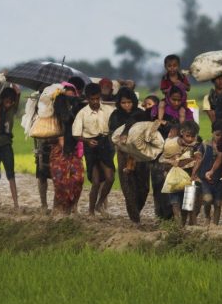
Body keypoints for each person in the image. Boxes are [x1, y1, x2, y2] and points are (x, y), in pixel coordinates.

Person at [150, 84, 194, 220]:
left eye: (178, 100)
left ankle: (185, 218)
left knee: (185, 183)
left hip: (182, 152)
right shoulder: (159, 109)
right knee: (161, 184)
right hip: (161, 151)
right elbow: (153, 128)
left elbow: (192, 132)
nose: (175, 103)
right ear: (168, 98)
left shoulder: (186, 113)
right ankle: (163, 216)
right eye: (173, 100)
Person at [109, 87, 151, 223]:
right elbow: (113, 135)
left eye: (129, 102)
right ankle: (135, 219)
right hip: (124, 154)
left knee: (144, 187)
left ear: (134, 101)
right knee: (128, 187)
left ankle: (136, 212)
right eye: (123, 103)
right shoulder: (115, 116)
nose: (127, 105)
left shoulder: (141, 114)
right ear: (119, 103)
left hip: (141, 154)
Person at [73, 83, 115, 214]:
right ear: (87, 98)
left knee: (110, 178)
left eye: (97, 99)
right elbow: (76, 135)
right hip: (90, 146)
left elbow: (115, 126)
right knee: (96, 182)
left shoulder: (109, 110)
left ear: (100, 97)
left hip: (105, 144)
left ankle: (100, 203)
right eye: (92, 99)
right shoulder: (82, 113)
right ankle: (91, 210)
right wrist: (87, 141)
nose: (95, 102)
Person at [49, 84, 86, 214]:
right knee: (60, 182)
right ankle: (59, 209)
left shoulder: (77, 113)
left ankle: (72, 206)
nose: (70, 99)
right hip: (58, 152)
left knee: (78, 178)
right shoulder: (53, 115)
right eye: (67, 96)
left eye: (72, 96)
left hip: (74, 149)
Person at [159, 120, 203, 226]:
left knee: (189, 203)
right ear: (182, 132)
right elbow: (163, 161)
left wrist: (193, 174)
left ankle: (192, 226)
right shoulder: (170, 144)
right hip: (173, 176)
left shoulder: (196, 145)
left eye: (193, 136)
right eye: (188, 136)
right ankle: (179, 227)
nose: (190, 139)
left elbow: (198, 159)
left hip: (189, 176)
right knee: (175, 202)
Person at [0, 85, 20, 208]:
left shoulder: (12, 109)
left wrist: (11, 81)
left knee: (11, 174)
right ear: (2, 99)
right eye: (7, 101)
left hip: (6, 144)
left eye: (11, 101)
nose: (9, 103)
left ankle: (16, 203)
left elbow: (18, 92)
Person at [197, 120, 222, 225]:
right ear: (212, 133)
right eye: (217, 134)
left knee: (218, 203)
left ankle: (215, 224)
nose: (219, 137)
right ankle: (207, 217)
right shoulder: (205, 145)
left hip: (219, 179)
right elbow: (198, 159)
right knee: (208, 199)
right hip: (205, 179)